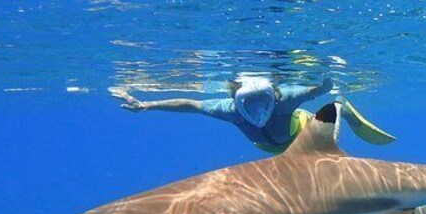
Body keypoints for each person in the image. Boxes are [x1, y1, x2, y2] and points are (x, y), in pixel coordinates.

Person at [110, 75, 395, 153]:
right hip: (273, 149)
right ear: (236, 100)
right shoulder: (230, 110)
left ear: (273, 96)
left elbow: (313, 90)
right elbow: (191, 104)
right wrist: (147, 105)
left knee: (327, 147)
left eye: (263, 102)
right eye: (250, 104)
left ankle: (341, 108)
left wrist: (326, 85)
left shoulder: (285, 99)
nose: (259, 111)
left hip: (304, 132)